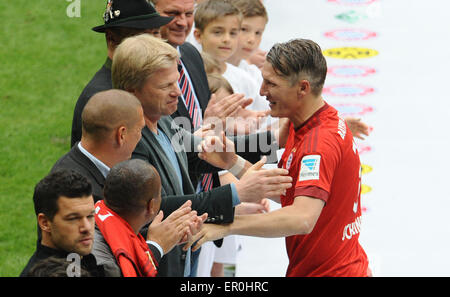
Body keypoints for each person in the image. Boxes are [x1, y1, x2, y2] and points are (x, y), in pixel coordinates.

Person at [111, 33, 293, 276]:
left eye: (176, 82)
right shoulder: (130, 141)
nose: (178, 92)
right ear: (133, 90)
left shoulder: (162, 119)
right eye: (166, 86)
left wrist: (274, 140)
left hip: (180, 258)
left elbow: (202, 150)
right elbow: (156, 207)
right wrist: (237, 193)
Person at [186, 39, 371, 277]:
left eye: (271, 83)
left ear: (303, 88)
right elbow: (293, 194)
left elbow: (302, 217)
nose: (262, 91)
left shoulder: (318, 144)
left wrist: (227, 227)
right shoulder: (309, 122)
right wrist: (232, 162)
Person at [71, 0, 248, 148]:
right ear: (111, 39)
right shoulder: (105, 98)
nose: (155, 44)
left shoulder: (189, 55)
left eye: (156, 33)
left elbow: (176, 150)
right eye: (143, 37)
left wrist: (270, 140)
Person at [93, 159, 206, 277]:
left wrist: (168, 238)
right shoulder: (108, 265)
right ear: (151, 206)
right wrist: (156, 247)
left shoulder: (96, 216)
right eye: (159, 193)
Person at [20, 170, 104, 277]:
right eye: (73, 219)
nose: (87, 227)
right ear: (45, 223)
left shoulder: (82, 257)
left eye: (90, 216)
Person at [193, 0, 268, 115]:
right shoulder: (190, 73)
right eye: (218, 32)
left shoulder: (246, 79)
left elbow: (263, 118)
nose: (226, 39)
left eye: (233, 33)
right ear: (198, 35)